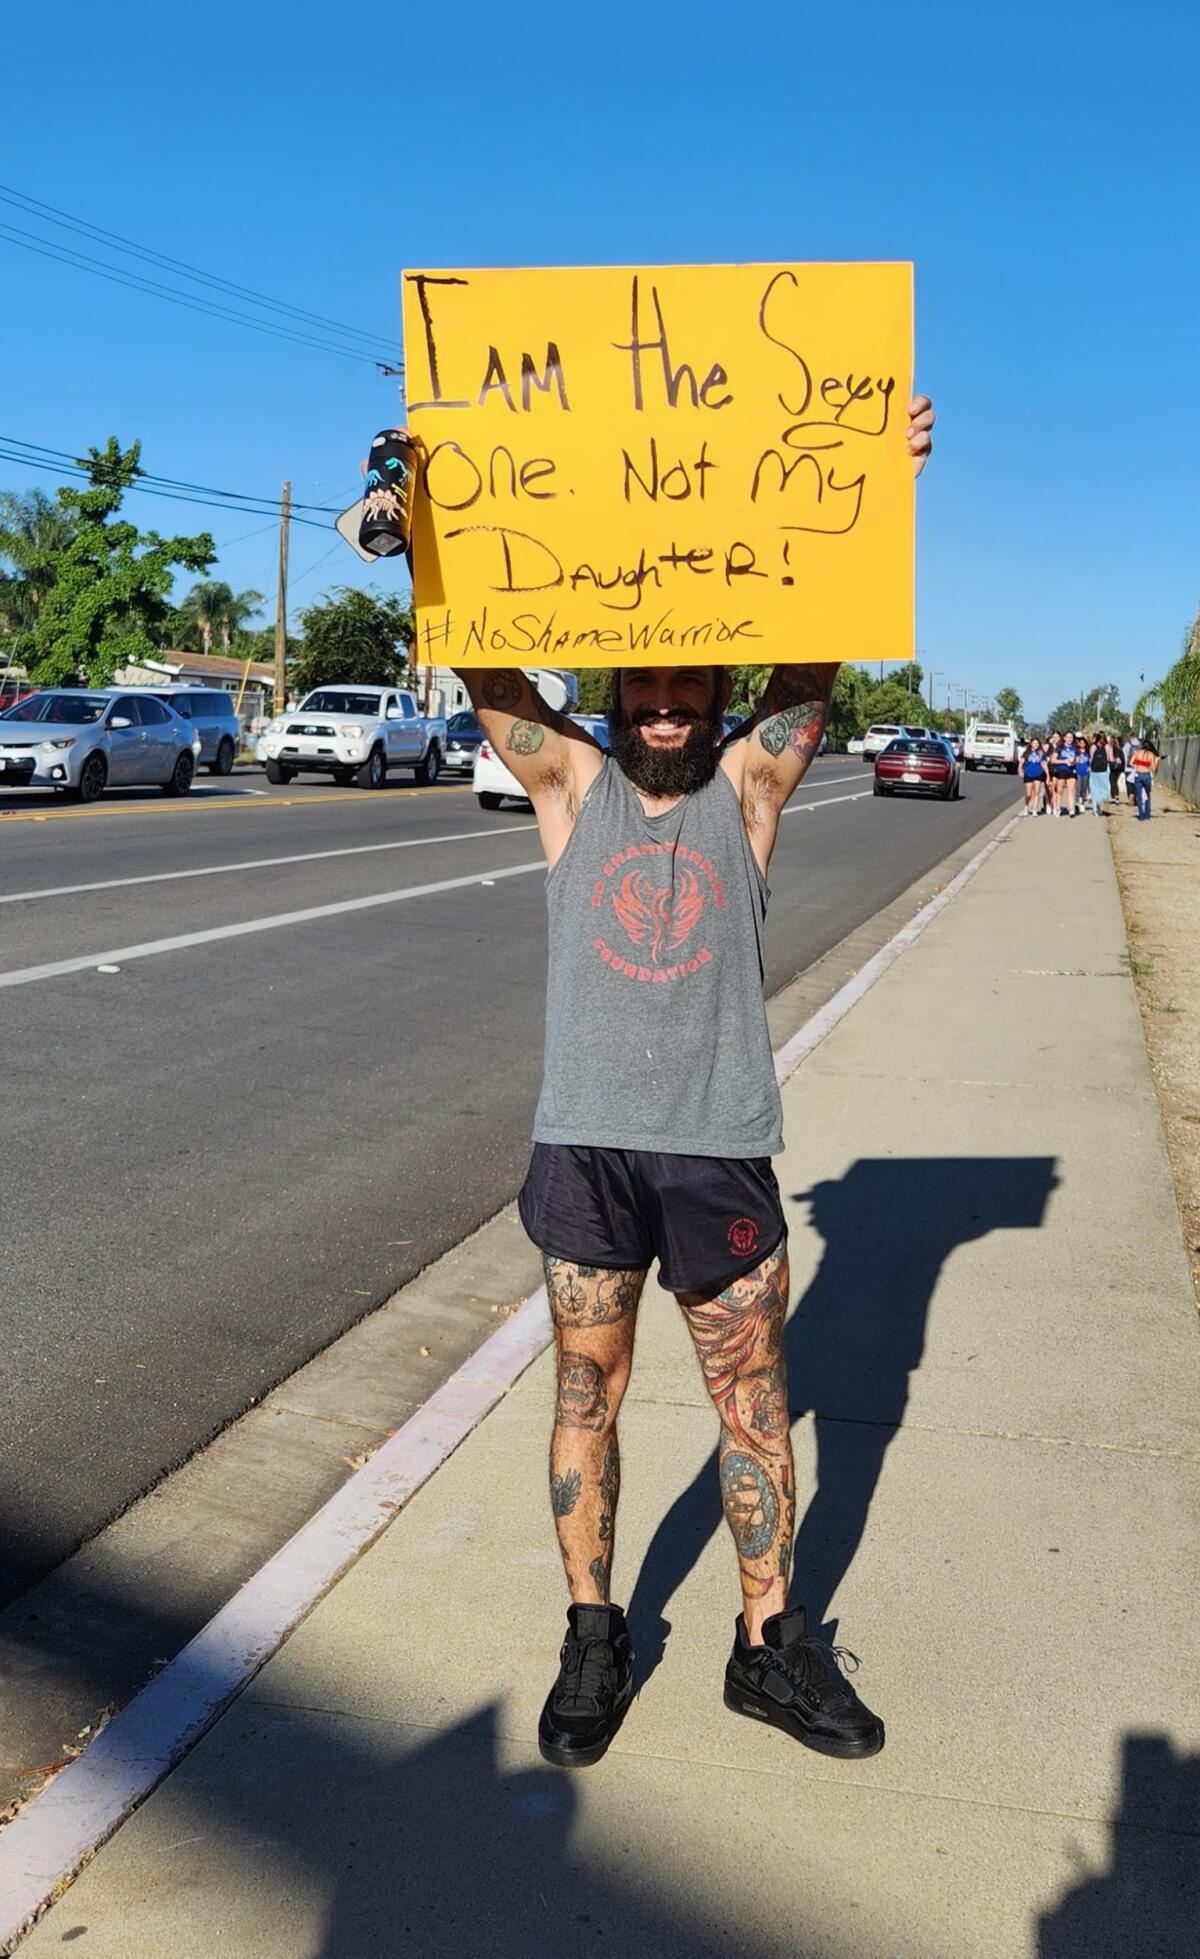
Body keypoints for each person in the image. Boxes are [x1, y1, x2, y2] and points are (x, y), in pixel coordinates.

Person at [411, 399, 937, 1770]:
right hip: (585, 1145)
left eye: (687, 686)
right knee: (584, 1388)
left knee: (753, 1395)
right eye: (642, 685)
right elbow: (487, 675)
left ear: (715, 693)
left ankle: (770, 1644)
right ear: (616, 689)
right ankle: (597, 1630)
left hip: (717, 1148)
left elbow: (815, 655)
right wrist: (428, 529)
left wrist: (875, 487)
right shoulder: (570, 785)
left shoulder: (748, 790)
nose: (662, 705)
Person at [1128, 735, 1159, 819]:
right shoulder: (1151, 754)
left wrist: (1138, 765)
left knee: (1139, 796)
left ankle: (1141, 815)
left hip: (1138, 775)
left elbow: (1130, 763)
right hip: (1146, 775)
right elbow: (1153, 768)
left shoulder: (1137, 753)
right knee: (1148, 796)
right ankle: (1147, 815)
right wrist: (1156, 761)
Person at [1020, 737, 1047, 815]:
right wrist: (1020, 770)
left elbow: (1044, 763)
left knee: (1037, 792)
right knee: (1028, 794)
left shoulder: (1041, 753)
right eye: (1034, 743)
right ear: (1031, 744)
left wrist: (1047, 774)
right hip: (1028, 774)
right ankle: (1026, 806)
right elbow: (1021, 762)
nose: (1036, 745)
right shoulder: (1027, 752)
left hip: (1038, 774)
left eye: (1037, 743)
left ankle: (1034, 809)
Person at [1089, 732, 1111, 814]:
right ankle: (1099, 802)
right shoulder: (1107, 746)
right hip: (1104, 769)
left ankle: (1095, 809)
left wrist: (1090, 767)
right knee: (1105, 789)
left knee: (1094, 788)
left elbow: (1091, 759)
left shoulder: (1093, 746)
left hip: (1094, 770)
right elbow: (1109, 758)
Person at [1075, 734, 1091, 813]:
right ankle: (1077, 802)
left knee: (1084, 788)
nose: (1082, 744)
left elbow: (1090, 761)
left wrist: (1089, 767)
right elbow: (1075, 761)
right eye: (1081, 743)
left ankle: (1082, 802)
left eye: (1083, 743)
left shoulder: (1088, 752)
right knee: (1078, 788)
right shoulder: (1076, 752)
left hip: (1086, 772)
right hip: (1078, 772)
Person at [1108, 734, 1124, 808]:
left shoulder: (1113, 748)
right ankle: (1116, 797)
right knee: (1114, 782)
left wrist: (1113, 760)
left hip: (1114, 768)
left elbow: (1114, 759)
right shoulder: (1120, 749)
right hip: (1119, 768)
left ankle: (1114, 798)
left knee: (1112, 782)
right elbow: (1122, 759)